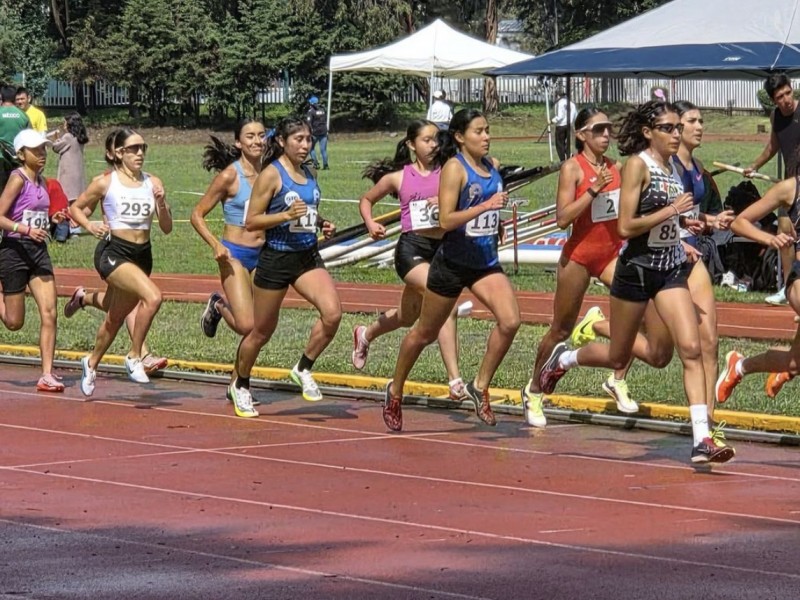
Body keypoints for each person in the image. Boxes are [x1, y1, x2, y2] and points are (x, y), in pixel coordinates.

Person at [537, 101, 735, 464]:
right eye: (668, 128)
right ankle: (564, 359)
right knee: (618, 355)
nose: (676, 134)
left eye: (678, 128)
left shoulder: (672, 167)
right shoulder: (636, 166)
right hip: (637, 271)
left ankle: (702, 439)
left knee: (686, 349)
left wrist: (691, 222)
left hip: (670, 270)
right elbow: (627, 226)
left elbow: (667, 215)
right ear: (648, 132)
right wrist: (671, 212)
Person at [382, 108, 520, 432]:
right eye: (478, 132)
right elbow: (446, 220)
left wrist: (495, 221)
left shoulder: (492, 165)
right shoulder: (455, 169)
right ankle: (395, 389)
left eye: (488, 130)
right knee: (424, 333)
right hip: (452, 264)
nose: (486, 137)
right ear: (460, 137)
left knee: (511, 321)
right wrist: (485, 208)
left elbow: (487, 207)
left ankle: (480, 385)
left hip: (484, 262)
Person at [522, 108, 639, 429]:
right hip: (578, 257)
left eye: (608, 129)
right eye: (598, 129)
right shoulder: (572, 168)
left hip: (610, 255)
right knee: (560, 330)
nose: (605, 135)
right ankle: (534, 390)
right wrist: (592, 190)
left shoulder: (617, 168)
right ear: (581, 134)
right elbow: (562, 219)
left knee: (638, 310)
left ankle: (617, 379)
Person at [227, 116, 340, 418]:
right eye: (298, 140)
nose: (305, 145)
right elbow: (252, 221)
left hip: (306, 256)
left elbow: (306, 211)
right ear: (281, 141)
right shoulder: (271, 175)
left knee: (332, 314)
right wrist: (285, 216)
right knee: (261, 332)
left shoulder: (309, 171)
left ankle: (303, 367)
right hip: (276, 258)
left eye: (308, 139)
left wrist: (322, 223)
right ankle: (241, 384)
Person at [352, 119, 469, 401]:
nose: (433, 145)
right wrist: (370, 223)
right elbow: (366, 200)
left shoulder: (450, 171)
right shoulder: (398, 178)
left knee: (407, 317)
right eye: (426, 140)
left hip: (441, 250)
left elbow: (468, 200)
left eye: (436, 139)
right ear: (411, 144)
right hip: (412, 250)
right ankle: (455, 381)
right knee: (446, 304)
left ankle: (365, 334)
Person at [68, 128, 173, 396]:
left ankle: (91, 363)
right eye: (133, 149)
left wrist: (161, 202)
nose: (140, 153)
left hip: (142, 255)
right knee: (153, 297)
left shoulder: (152, 182)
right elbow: (75, 208)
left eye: (142, 148)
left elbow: (167, 227)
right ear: (118, 153)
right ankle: (135, 356)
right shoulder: (105, 182)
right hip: (114, 252)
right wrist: (90, 226)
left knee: (114, 318)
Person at [671, 100, 736, 422]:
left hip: (692, 256)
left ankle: (707, 422)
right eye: (692, 121)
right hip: (660, 257)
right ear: (676, 127)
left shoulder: (697, 168)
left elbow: (690, 215)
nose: (699, 127)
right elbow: (651, 214)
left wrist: (711, 220)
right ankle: (594, 332)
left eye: (701, 121)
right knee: (654, 349)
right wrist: (678, 239)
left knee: (709, 340)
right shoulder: (664, 166)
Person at [716, 167, 800, 403]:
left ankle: (739, 366)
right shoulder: (790, 188)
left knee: (794, 363)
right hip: (798, 279)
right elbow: (739, 222)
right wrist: (770, 239)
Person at [0, 129, 66, 392]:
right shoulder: (17, 179)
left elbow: (36, 217)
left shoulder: (42, 182)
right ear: (21, 154)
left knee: (50, 312)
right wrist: (25, 230)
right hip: (14, 250)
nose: (42, 154)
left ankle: (47, 374)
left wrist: (52, 220)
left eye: (44, 149)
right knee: (14, 323)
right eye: (36, 150)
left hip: (38, 251)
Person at [192, 119, 266, 339]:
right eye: (250, 136)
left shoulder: (271, 173)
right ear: (238, 143)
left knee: (262, 324)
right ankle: (218, 305)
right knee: (247, 326)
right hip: (234, 254)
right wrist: (215, 245)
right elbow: (196, 215)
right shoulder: (229, 176)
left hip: (264, 254)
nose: (257, 141)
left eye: (261, 135)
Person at [745, 73, 799, 306]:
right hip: (790, 188)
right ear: (773, 100)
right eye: (780, 97)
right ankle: (788, 286)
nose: (786, 100)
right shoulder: (776, 116)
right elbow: (772, 147)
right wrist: (754, 165)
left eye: (788, 93)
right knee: (784, 232)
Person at [51, 112, 88, 241]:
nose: (64, 124)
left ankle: (68, 229)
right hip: (78, 173)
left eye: (65, 122)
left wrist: (56, 139)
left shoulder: (67, 137)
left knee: (66, 201)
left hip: (68, 174)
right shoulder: (80, 137)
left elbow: (56, 148)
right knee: (76, 202)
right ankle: (76, 228)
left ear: (70, 124)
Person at [0, 85, 31, 192]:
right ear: (15, 98)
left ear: (2, 97)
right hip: (17, 159)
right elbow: (29, 138)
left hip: (1, 158)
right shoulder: (23, 116)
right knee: (15, 191)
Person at [551, 89, 577, 162]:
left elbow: (560, 116)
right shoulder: (571, 103)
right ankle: (569, 155)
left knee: (559, 144)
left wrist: (552, 121)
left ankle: (562, 160)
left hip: (561, 125)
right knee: (566, 143)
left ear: (558, 96)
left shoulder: (559, 103)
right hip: (568, 125)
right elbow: (575, 114)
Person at [305, 96, 328, 170]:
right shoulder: (322, 110)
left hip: (315, 133)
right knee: (323, 150)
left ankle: (316, 164)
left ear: (311, 103)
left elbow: (308, 123)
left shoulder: (311, 111)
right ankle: (326, 165)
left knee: (311, 148)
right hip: (323, 132)